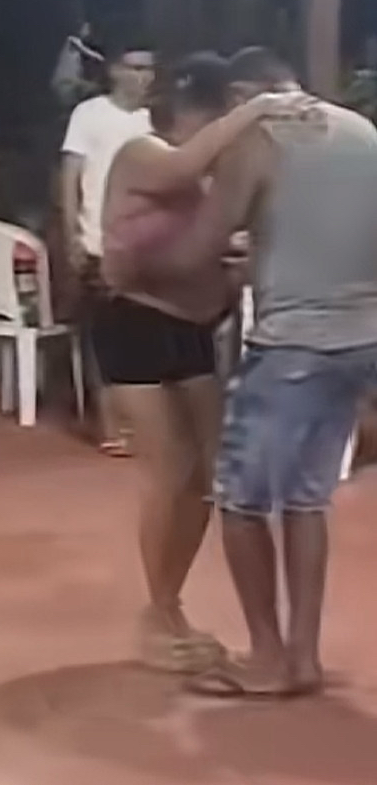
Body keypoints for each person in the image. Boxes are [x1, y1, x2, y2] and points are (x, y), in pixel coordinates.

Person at [139, 45, 377, 698]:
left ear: (246, 96)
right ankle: (302, 656)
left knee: (242, 502)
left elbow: (199, 248)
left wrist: (129, 268)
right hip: (364, 338)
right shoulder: (362, 132)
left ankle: (268, 657)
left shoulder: (260, 139)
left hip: (293, 346)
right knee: (305, 500)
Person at [98, 54, 315, 673]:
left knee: (207, 475)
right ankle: (158, 613)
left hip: (190, 330)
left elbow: (212, 251)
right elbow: (181, 168)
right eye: (215, 113)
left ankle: (170, 606)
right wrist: (258, 108)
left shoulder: (207, 184)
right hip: (132, 323)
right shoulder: (142, 154)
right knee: (169, 468)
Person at [61, 35, 155, 453]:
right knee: (102, 337)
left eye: (149, 68)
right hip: (98, 241)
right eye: (136, 67)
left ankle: (141, 423)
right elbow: (69, 177)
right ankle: (109, 424)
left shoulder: (155, 120)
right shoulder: (89, 115)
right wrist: (71, 234)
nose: (144, 76)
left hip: (147, 245)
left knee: (144, 338)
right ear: (115, 70)